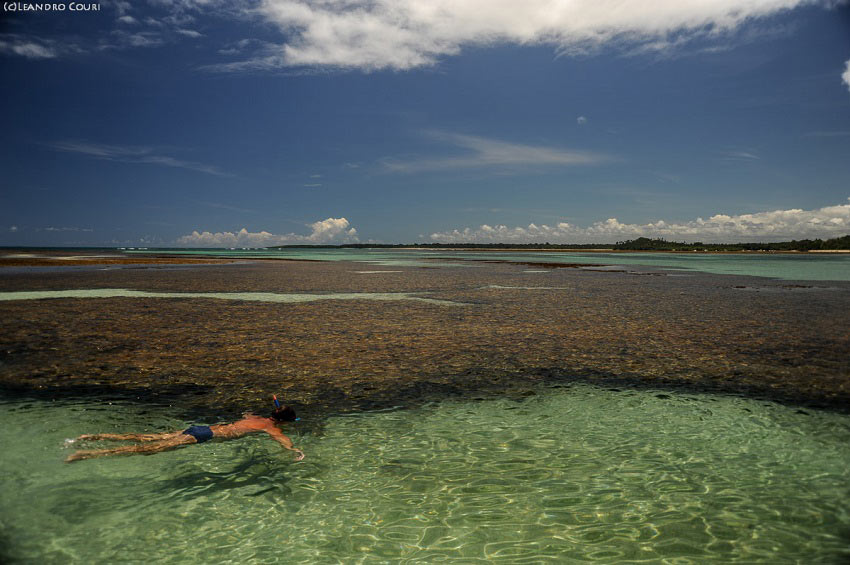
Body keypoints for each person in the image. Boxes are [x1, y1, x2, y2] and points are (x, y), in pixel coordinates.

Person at [65, 399, 304, 463]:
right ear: (284, 421)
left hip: (199, 427)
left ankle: (90, 437)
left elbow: (245, 416)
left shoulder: (258, 418)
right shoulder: (270, 427)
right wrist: (296, 452)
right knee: (144, 450)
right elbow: (283, 441)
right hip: (203, 436)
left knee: (140, 437)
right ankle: (85, 455)